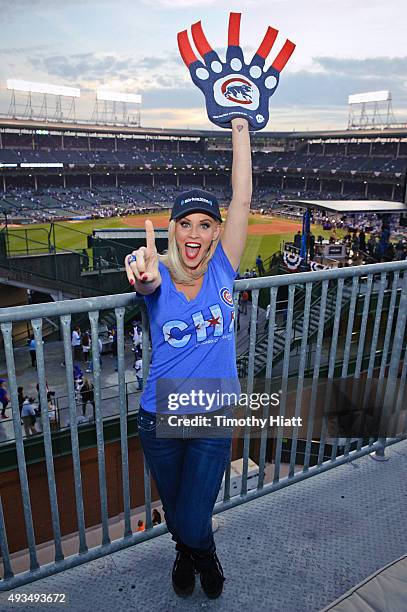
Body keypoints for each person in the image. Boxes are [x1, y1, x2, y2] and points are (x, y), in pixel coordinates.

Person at [125, 116, 252, 599]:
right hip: (161, 415)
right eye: (185, 224)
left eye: (205, 224)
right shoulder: (157, 278)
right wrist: (143, 273)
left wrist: (240, 128)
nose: (194, 233)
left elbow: (241, 199)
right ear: (174, 231)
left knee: (191, 512)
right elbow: (148, 282)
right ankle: (193, 552)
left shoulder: (223, 268)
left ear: (216, 233)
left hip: (215, 411)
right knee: (177, 505)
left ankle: (195, 547)